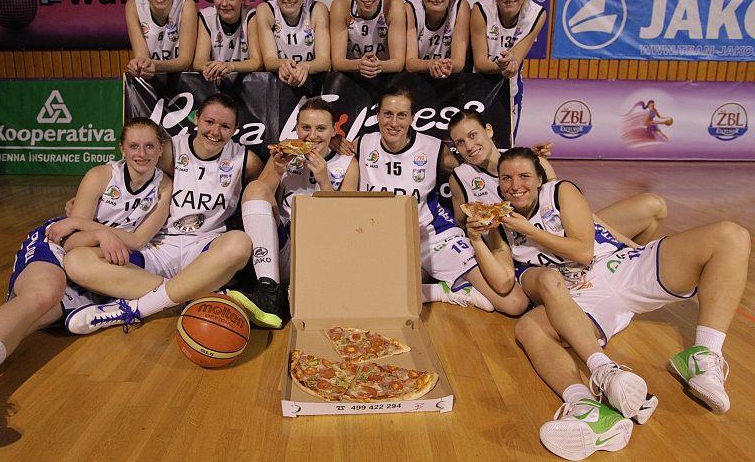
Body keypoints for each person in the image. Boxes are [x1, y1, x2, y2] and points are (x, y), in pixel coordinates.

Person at [486, 147, 749, 460]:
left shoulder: (559, 191)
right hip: (581, 296)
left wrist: (528, 229)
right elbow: (507, 279)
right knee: (529, 328)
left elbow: (584, 252)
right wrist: (479, 237)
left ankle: (704, 355)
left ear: (539, 178)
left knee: (731, 235)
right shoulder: (497, 221)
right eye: (506, 178)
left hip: (620, 265)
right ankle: (588, 407)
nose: (515, 185)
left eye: (524, 176)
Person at [0, 118, 172, 449]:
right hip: (57, 244)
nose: (141, 153)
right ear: (121, 148)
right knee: (42, 296)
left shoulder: (164, 185)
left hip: (95, 252)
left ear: (160, 149)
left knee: (32, 321)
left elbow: (139, 239)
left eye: (149, 146)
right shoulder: (101, 176)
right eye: (133, 146)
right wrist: (100, 232)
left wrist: (100, 232)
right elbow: (70, 235)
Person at [62, 93, 286, 333]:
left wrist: (277, 167)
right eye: (209, 122)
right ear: (196, 119)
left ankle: (135, 308)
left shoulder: (245, 160)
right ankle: (197, 294)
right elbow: (131, 172)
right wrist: (85, 200)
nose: (215, 131)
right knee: (76, 261)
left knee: (240, 244)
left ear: (234, 129)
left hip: (204, 248)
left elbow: (259, 198)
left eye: (225, 126)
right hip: (158, 246)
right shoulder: (170, 149)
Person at [340, 86, 529, 316]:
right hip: (381, 241)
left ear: (412, 118)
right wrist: (333, 142)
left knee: (515, 303)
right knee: (371, 299)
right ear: (377, 115)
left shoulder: (433, 149)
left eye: (402, 115)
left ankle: (439, 290)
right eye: (387, 114)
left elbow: (475, 166)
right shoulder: (362, 144)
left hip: (432, 237)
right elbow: (331, 163)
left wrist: (524, 163)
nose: (394, 123)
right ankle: (438, 291)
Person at [447, 110, 667, 246]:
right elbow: (464, 228)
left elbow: (572, 208)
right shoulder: (461, 179)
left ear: (489, 130)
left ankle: (622, 261)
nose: (469, 146)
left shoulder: (530, 161)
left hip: (564, 236)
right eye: (460, 143)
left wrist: (627, 244)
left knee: (654, 206)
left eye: (473, 135)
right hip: (523, 252)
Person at [241, 97, 352, 301]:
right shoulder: (285, 151)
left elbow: (346, 224)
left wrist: (324, 181)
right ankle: (269, 289)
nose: (312, 136)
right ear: (297, 128)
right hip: (282, 249)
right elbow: (255, 196)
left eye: (321, 128)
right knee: (255, 186)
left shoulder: (347, 163)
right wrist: (277, 169)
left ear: (334, 130)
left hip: (323, 252)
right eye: (305, 127)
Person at [471, 0, 546, 138]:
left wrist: (510, 63)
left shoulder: (537, 14)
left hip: (509, 89)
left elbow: (516, 59)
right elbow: (480, 62)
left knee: (505, 146)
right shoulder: (481, 10)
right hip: (476, 86)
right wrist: (502, 65)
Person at [257, 0, 330, 87]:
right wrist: (282, 64)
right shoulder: (266, 10)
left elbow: (324, 61)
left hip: (313, 83)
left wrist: (305, 66)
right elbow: (269, 60)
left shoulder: (317, 9)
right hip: (279, 84)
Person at [330, 0, 406, 78]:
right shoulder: (340, 6)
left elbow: (398, 63)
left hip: (384, 73)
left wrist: (375, 66)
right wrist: (360, 65)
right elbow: (337, 62)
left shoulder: (394, 6)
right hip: (352, 74)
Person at [125, 0, 198, 79]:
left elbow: (185, 61)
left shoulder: (186, 5)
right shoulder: (133, 6)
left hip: (183, 81)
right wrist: (139, 65)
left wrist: (153, 65)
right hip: (153, 79)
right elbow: (142, 56)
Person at [193, 0, 262, 82]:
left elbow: (257, 62)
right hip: (215, 83)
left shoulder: (251, 16)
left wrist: (230, 66)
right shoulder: (206, 17)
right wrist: (214, 68)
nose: (224, 3)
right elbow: (199, 61)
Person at [405, 0, 470, 78]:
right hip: (417, 78)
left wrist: (448, 66)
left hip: (449, 77)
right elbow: (410, 64)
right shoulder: (410, 9)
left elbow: (459, 62)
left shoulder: (460, 6)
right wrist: (433, 65)